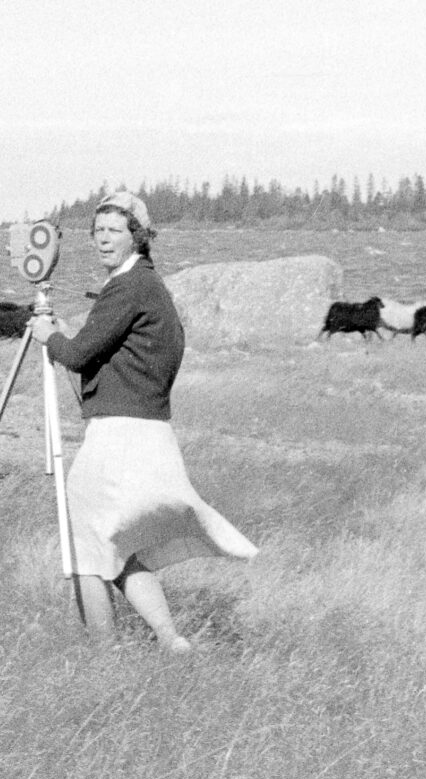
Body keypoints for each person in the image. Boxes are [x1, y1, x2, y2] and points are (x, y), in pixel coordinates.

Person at [27, 191, 256, 653]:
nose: (103, 239)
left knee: (86, 549)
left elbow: (77, 355)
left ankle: (105, 655)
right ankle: (171, 641)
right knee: (116, 546)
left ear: (137, 236)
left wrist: (49, 335)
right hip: (147, 432)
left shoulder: (129, 286)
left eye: (114, 230)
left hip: (120, 435)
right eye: (98, 231)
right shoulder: (149, 284)